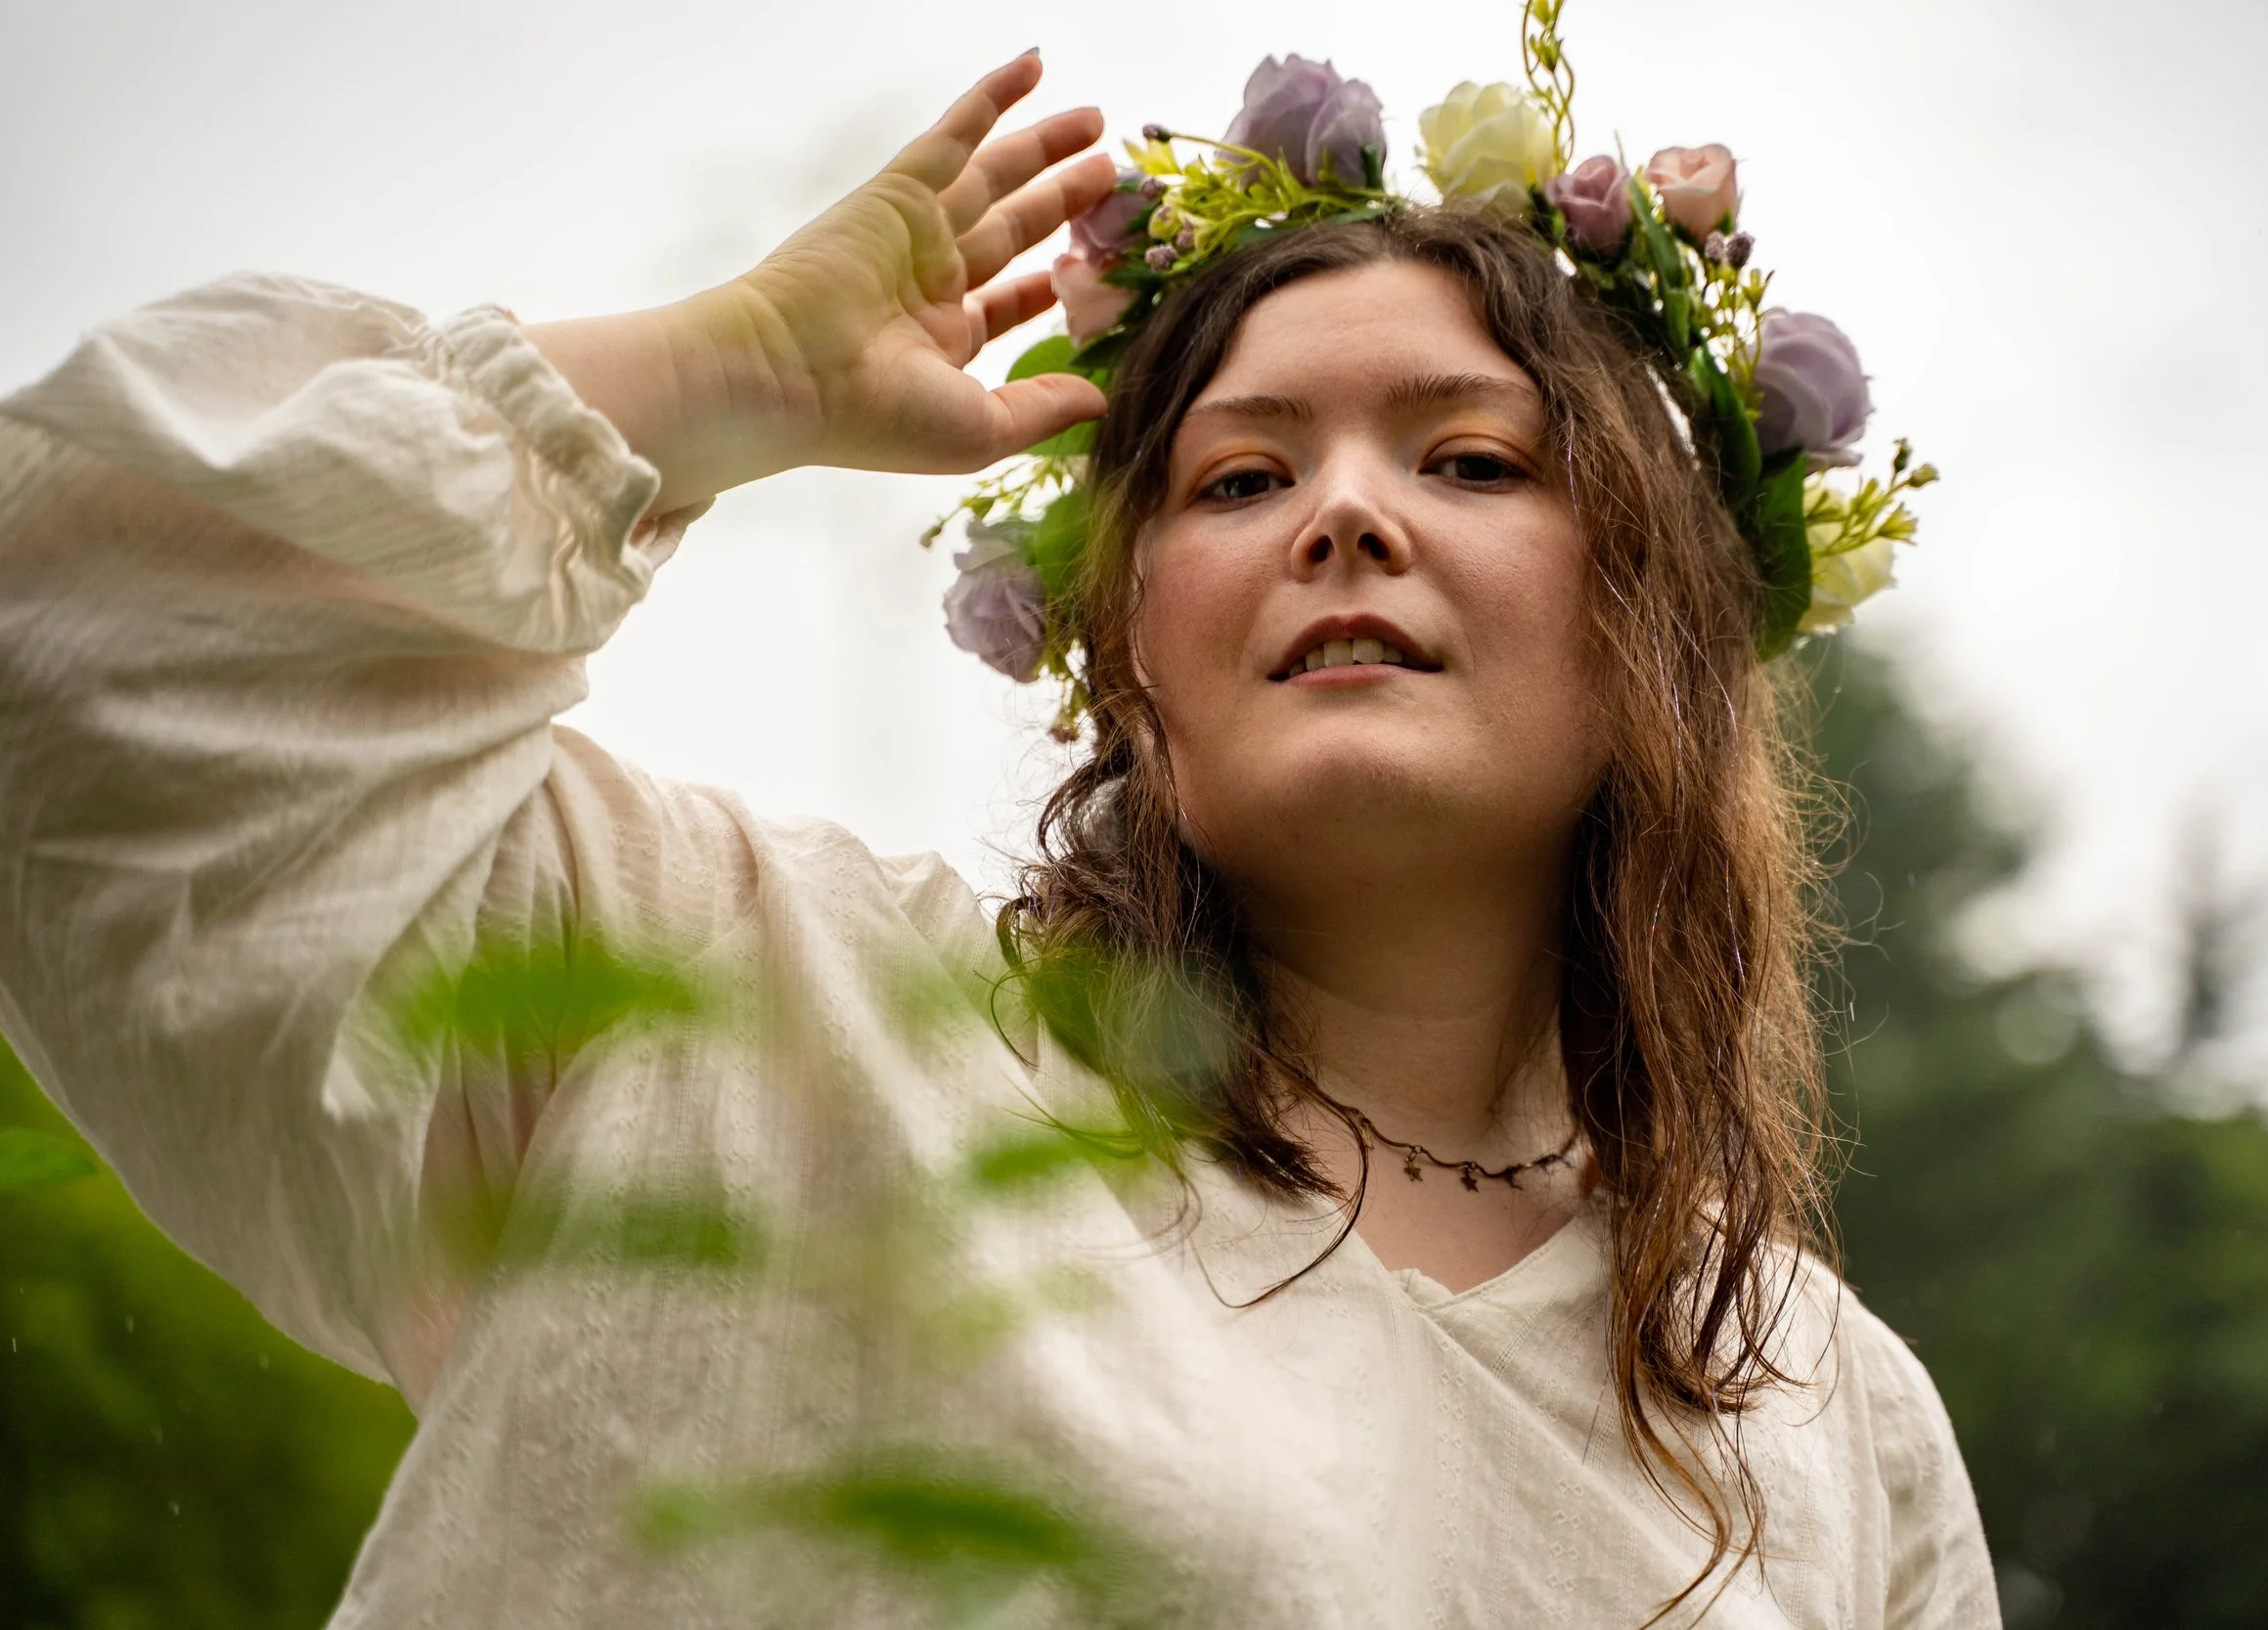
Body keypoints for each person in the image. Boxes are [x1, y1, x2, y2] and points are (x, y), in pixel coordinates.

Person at [0, 33, 2000, 1630]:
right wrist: (717, 378)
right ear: (1128, 660)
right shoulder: (763, 1002)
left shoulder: (1827, 1423)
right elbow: (73, 644)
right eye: (1233, 479)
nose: (1341, 515)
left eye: (1467, 455)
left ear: (1650, 625)